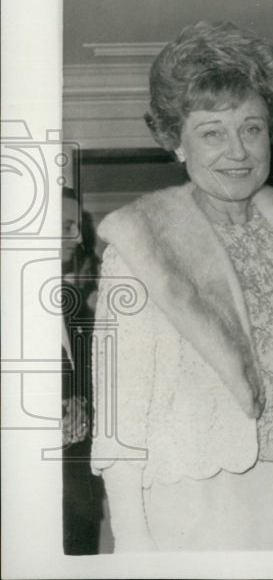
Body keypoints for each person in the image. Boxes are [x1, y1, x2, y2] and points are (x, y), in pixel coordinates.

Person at [90, 21, 273, 551]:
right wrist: (133, 542)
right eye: (212, 132)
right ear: (175, 142)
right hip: (190, 504)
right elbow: (120, 414)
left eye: (251, 128)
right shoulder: (142, 246)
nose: (238, 151)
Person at [61, 187, 105, 554]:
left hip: (76, 494)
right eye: (65, 226)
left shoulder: (71, 310)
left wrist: (83, 407)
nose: (76, 237)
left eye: (76, 226)